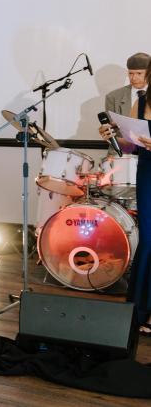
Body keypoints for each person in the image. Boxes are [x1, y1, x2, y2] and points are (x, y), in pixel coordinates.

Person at [100, 60, 151, 336]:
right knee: (149, 239)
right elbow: (131, 145)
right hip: (148, 172)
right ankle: (139, 311)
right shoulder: (140, 103)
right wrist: (112, 137)